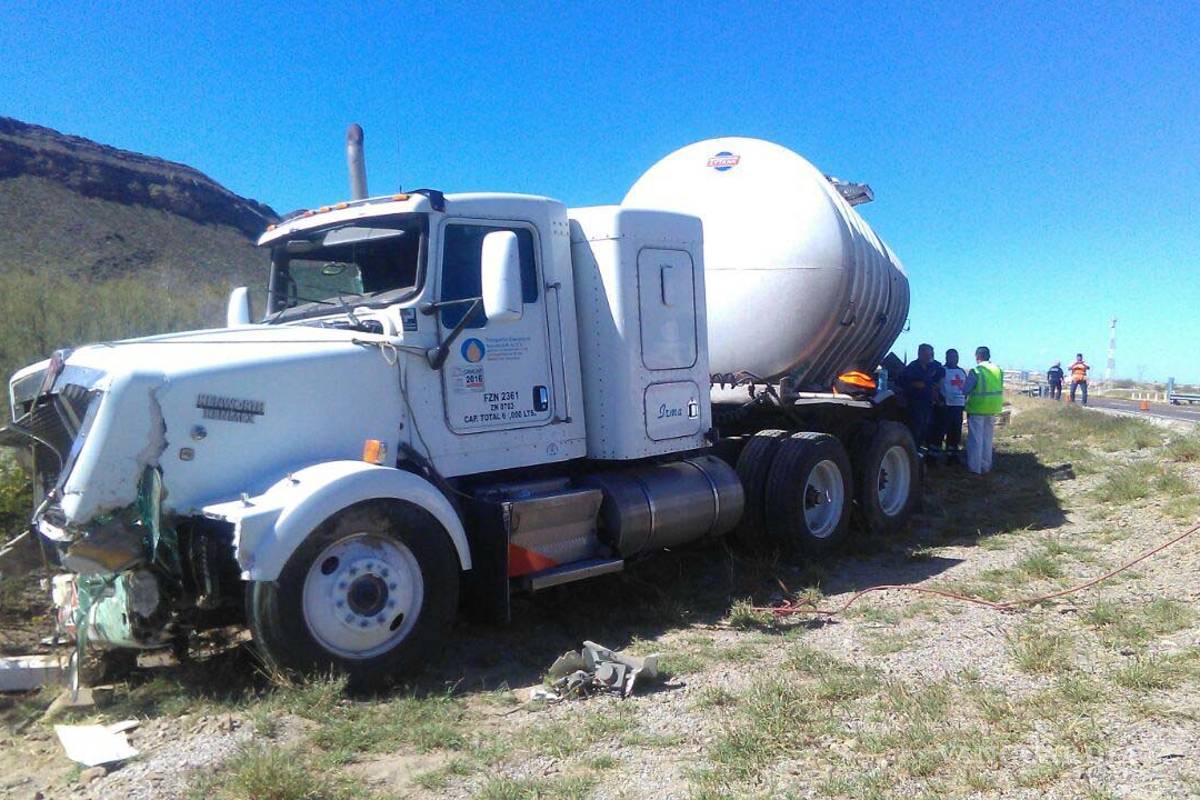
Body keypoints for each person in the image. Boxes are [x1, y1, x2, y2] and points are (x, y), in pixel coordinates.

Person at [963, 346, 1003, 474]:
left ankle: (974, 468)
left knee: (976, 440)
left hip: (977, 408)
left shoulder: (977, 371)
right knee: (987, 439)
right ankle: (986, 466)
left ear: (977, 356)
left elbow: (966, 390)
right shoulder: (998, 370)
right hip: (992, 408)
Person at [900, 343, 944, 452]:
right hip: (915, 404)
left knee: (927, 430)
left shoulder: (934, 366)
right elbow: (904, 383)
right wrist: (917, 384)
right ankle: (912, 452)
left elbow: (940, 376)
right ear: (920, 353)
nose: (929, 357)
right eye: (927, 354)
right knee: (915, 430)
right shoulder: (913, 367)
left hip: (929, 404)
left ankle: (921, 453)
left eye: (931, 354)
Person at [934, 348, 968, 462]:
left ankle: (952, 457)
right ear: (947, 357)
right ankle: (934, 457)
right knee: (939, 433)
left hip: (958, 407)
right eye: (952, 356)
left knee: (955, 433)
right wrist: (938, 402)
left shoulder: (962, 372)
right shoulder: (942, 370)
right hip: (945, 407)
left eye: (956, 356)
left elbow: (965, 388)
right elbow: (935, 387)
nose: (955, 359)